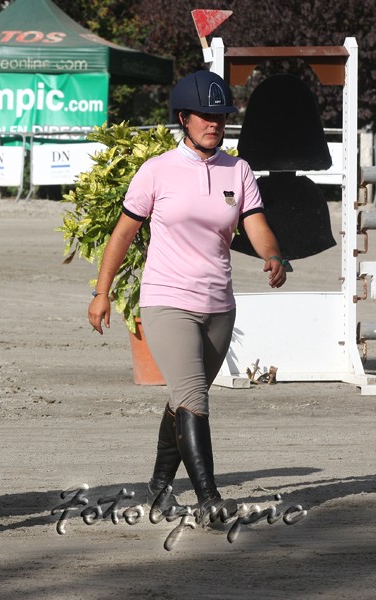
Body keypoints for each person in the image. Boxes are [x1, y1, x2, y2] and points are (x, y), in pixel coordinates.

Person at [87, 70, 289, 527]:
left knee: (181, 400)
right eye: (205, 115)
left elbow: (254, 222)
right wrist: (102, 292)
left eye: (220, 115)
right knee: (195, 397)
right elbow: (122, 235)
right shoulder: (156, 170)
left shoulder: (237, 170)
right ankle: (209, 498)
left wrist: (273, 253)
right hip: (166, 300)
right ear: (183, 118)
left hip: (219, 304)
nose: (215, 123)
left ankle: (158, 491)